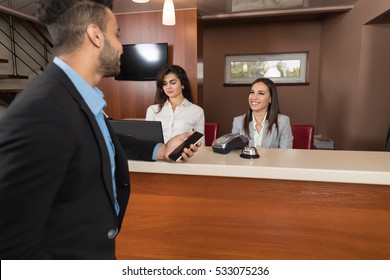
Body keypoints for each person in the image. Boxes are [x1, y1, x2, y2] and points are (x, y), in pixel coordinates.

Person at [0, 0, 199, 260]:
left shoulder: (80, 97)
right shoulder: (42, 110)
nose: (120, 46)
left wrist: (161, 149)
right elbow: (12, 245)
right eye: (116, 35)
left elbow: (108, 139)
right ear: (95, 35)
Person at [146, 64, 205, 143]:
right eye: (164, 84)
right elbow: (147, 140)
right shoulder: (152, 110)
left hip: (184, 154)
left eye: (173, 83)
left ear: (183, 84)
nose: (168, 87)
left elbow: (200, 142)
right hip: (158, 154)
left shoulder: (197, 111)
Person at [232, 77, 293, 148]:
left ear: (270, 98)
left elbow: (285, 153)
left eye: (260, 93)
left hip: (273, 159)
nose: (254, 97)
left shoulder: (283, 121)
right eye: (252, 92)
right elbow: (235, 153)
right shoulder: (238, 121)